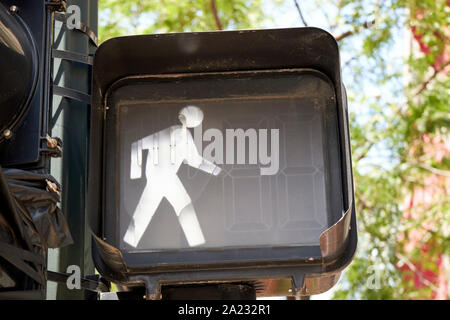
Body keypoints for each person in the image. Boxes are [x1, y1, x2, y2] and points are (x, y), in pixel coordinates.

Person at [123, 106, 221, 248]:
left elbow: (194, 160)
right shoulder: (164, 135)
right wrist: (136, 174)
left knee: (183, 208)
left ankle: (198, 246)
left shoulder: (185, 135)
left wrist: (216, 170)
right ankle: (128, 246)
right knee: (146, 212)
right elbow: (137, 145)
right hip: (157, 180)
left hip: (168, 179)